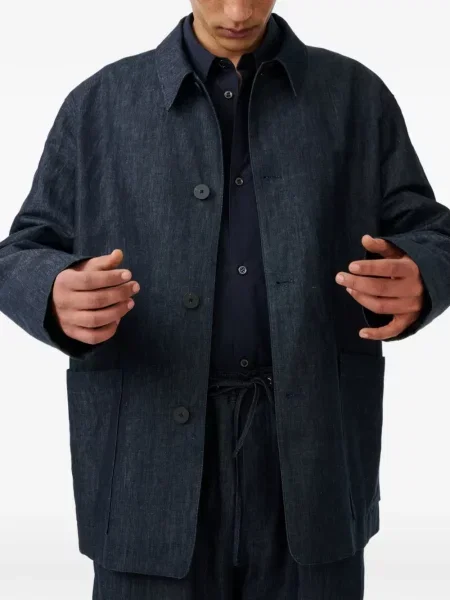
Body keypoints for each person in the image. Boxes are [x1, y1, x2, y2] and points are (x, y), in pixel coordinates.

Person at [1, 1, 450, 598]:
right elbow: (21, 251)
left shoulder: (356, 97)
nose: (238, 11)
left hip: (315, 455)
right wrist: (54, 291)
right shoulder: (99, 104)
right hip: (144, 463)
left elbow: (432, 233)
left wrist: (421, 275)